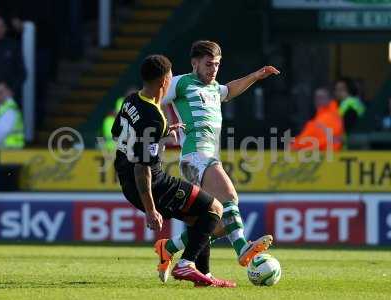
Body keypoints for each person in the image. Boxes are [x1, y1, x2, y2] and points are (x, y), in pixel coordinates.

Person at [155, 40, 279, 282]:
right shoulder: (180, 83)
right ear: (195, 63)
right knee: (230, 196)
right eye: (209, 64)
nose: (213, 69)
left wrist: (255, 76)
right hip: (196, 155)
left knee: (215, 222)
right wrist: (160, 127)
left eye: (217, 65)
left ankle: (168, 248)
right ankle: (243, 248)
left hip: (207, 156)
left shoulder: (214, 88)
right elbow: (154, 100)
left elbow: (230, 89)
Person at [112, 54, 235, 287]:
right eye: (170, 77)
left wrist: (164, 132)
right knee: (215, 209)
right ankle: (184, 263)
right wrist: (150, 210)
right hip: (152, 184)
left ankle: (203, 275)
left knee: (198, 218)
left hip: (126, 181)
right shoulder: (153, 117)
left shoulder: (130, 101)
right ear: (164, 81)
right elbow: (142, 168)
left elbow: (117, 133)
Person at [0, 16, 25, 107]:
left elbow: (22, 73)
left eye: (0, 26)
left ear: (5, 28)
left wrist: (10, 90)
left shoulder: (13, 46)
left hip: (9, 97)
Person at [0, 81, 24, 149]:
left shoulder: (9, 112)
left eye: (0, 92)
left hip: (7, 154)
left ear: (10, 92)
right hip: (5, 153)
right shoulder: (3, 110)